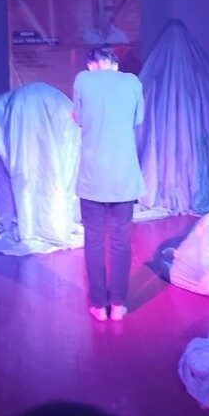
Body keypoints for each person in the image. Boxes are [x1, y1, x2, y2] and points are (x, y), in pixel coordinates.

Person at [72, 46, 144, 322]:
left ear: (92, 65)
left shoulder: (83, 79)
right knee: (121, 241)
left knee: (93, 239)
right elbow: (138, 119)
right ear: (115, 63)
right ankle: (119, 305)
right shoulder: (132, 81)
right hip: (123, 175)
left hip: (93, 175)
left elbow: (79, 119)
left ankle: (99, 305)